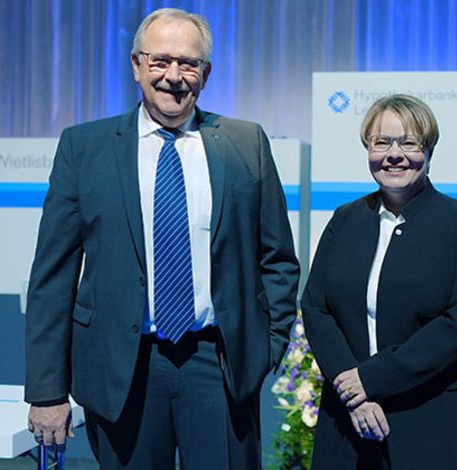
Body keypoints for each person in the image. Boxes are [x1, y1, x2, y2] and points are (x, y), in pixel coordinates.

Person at [24, 8, 299, 469]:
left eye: (188, 63)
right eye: (160, 61)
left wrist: (263, 350)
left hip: (218, 365)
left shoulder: (246, 143)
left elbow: (278, 260)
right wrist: (48, 390)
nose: (174, 76)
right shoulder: (84, 147)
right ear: (136, 66)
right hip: (122, 372)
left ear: (206, 73)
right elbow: (53, 276)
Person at [302, 94, 457, 469]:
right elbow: (316, 308)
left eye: (409, 142)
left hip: (433, 421)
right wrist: (352, 388)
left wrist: (370, 380)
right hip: (348, 420)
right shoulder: (345, 219)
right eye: (381, 142)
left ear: (429, 149)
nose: (394, 154)